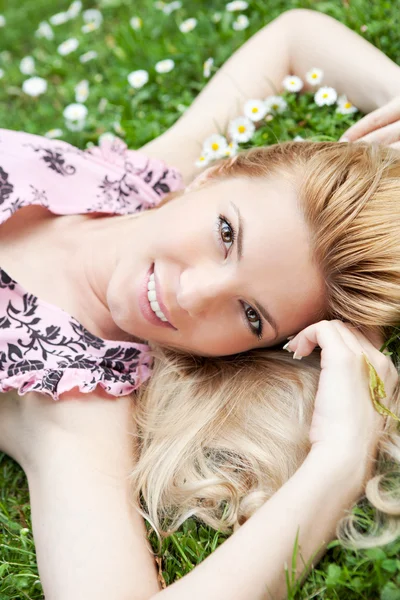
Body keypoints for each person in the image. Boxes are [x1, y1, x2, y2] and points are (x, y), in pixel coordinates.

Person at [1, 8, 400, 600]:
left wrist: (340, 461)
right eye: (226, 235)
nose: (190, 295)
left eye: (251, 315)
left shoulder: (70, 400)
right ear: (214, 173)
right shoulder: (134, 183)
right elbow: (295, 37)